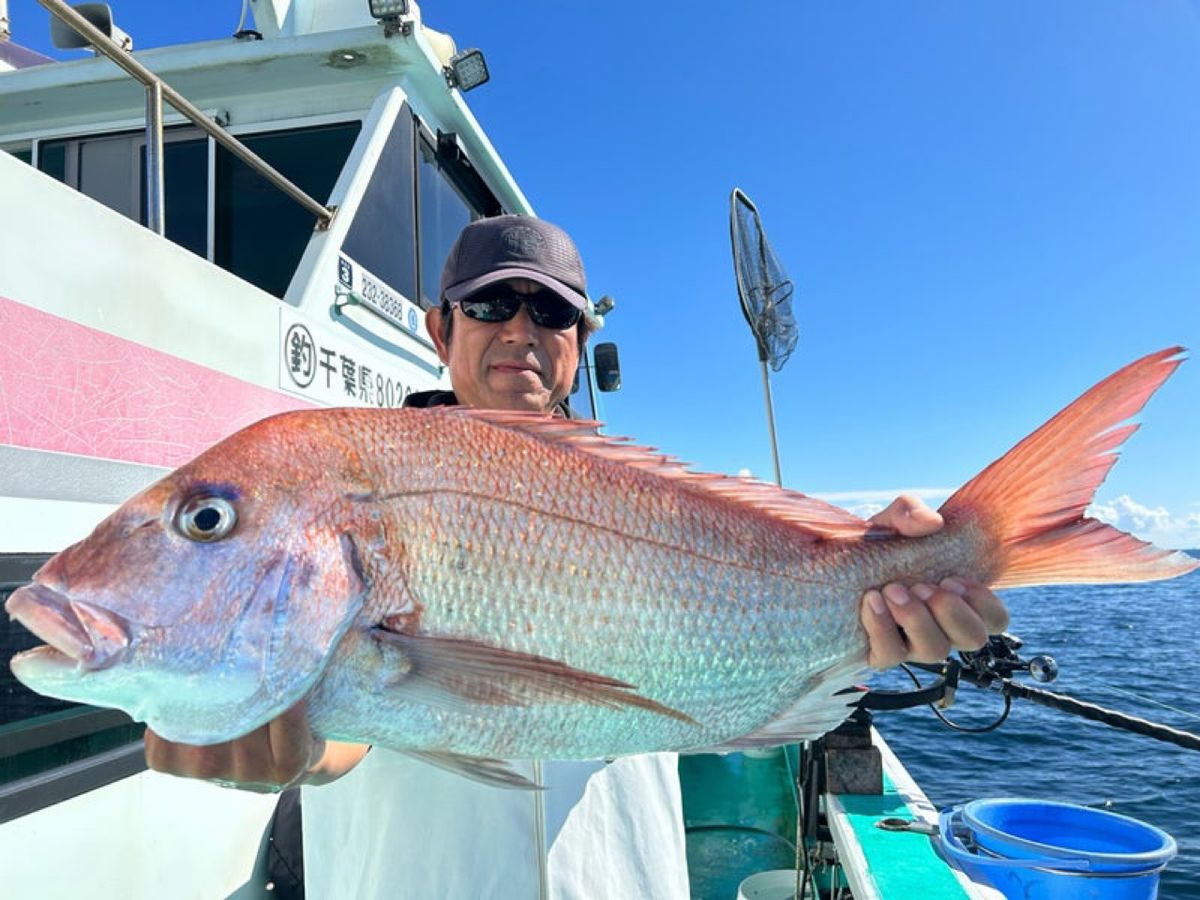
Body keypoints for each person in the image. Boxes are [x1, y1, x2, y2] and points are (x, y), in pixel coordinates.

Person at [145, 214, 1008, 898]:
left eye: (551, 310)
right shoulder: (353, 486)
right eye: (489, 305)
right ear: (438, 325)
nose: (520, 328)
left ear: (579, 337)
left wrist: (889, 582)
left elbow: (746, 676)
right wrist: (283, 752)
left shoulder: (654, 504)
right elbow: (356, 725)